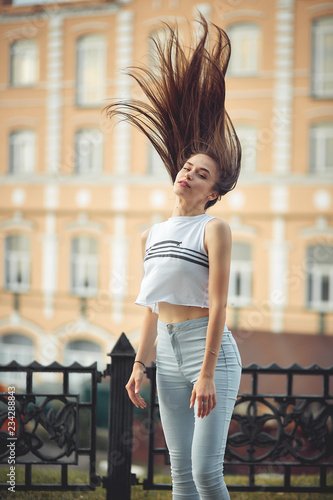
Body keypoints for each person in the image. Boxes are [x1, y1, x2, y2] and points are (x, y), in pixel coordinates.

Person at [105, 14, 242, 500]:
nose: (188, 174)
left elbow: (220, 306)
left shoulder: (214, 229)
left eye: (200, 174)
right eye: (187, 167)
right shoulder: (154, 233)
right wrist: (141, 365)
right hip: (166, 348)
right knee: (179, 475)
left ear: (213, 192)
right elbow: (151, 305)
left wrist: (206, 372)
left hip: (210, 355)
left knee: (206, 473)